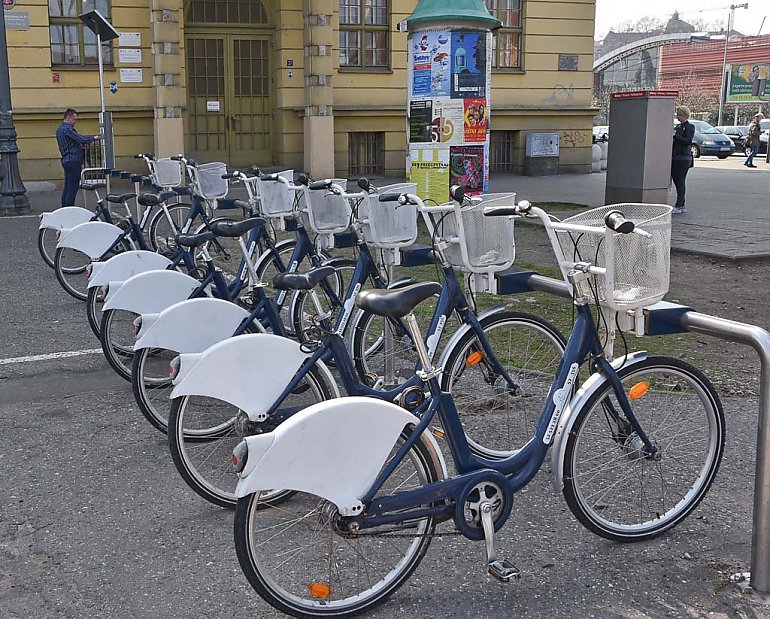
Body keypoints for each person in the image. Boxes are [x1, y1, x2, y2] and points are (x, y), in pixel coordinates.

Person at [56, 108, 100, 208]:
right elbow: (80, 139)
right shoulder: (67, 129)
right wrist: (94, 138)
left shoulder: (59, 129)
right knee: (72, 189)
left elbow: (73, 142)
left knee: (67, 187)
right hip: (73, 160)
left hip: (66, 159)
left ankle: (64, 209)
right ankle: (69, 210)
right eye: (74, 120)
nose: (75, 122)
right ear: (68, 117)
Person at [671, 105, 694, 215]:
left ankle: (679, 205)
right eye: (678, 115)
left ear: (685, 115)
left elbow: (688, 141)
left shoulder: (689, 127)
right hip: (676, 158)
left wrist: (676, 136)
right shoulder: (678, 127)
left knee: (680, 182)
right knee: (677, 181)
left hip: (683, 158)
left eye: (680, 115)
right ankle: (682, 204)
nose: (678, 117)